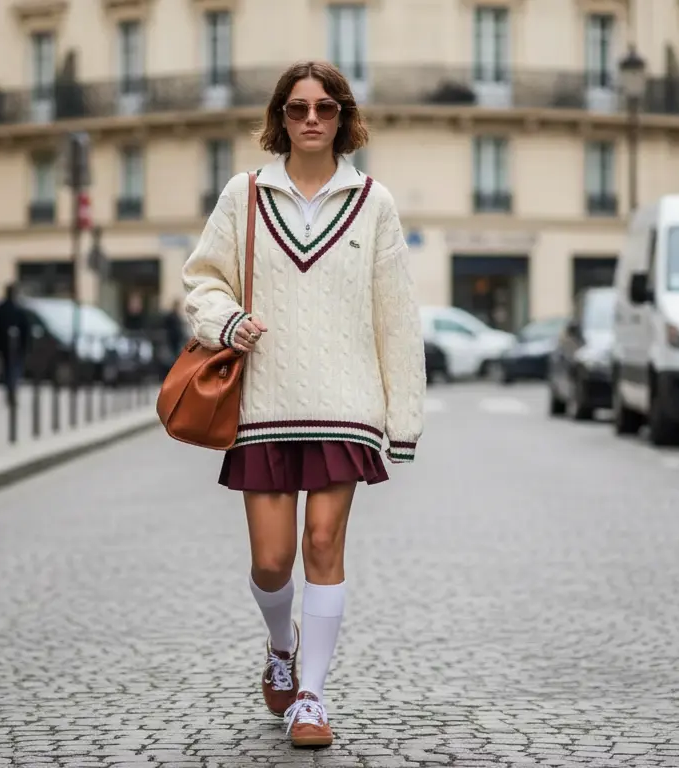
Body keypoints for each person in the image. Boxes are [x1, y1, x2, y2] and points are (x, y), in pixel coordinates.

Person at [179, 60, 426, 749]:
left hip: (345, 405)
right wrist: (226, 321)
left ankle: (310, 697)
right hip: (262, 404)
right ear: (279, 119)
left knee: (323, 543)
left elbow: (396, 319)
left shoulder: (374, 202)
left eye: (325, 108)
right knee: (271, 560)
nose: (311, 119)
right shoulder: (244, 195)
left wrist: (400, 423)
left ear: (343, 117)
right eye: (297, 109)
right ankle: (279, 646)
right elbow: (202, 281)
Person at [0, 282, 33, 407]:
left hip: (4, 346)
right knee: (13, 370)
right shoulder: (18, 310)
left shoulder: (1, 309)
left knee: (8, 370)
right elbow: (26, 328)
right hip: (14, 347)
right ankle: (12, 391)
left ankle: (10, 391)